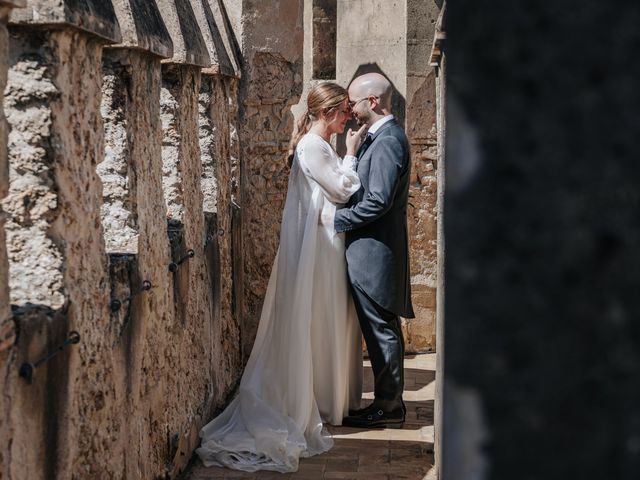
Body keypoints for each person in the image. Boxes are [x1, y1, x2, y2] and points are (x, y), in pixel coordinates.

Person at [197, 82, 366, 473]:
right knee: (313, 315)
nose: (347, 118)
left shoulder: (319, 145)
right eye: (343, 111)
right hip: (316, 246)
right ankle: (308, 400)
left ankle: (323, 395)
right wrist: (353, 156)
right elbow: (341, 189)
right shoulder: (312, 146)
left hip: (322, 242)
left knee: (320, 317)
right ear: (327, 113)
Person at [335, 72, 415, 429]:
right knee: (381, 329)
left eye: (353, 101)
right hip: (372, 253)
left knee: (381, 330)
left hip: (374, 254)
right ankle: (388, 401)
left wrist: (338, 220)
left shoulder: (387, 142)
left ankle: (389, 405)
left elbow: (378, 201)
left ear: (373, 102)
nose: (349, 109)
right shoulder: (379, 137)